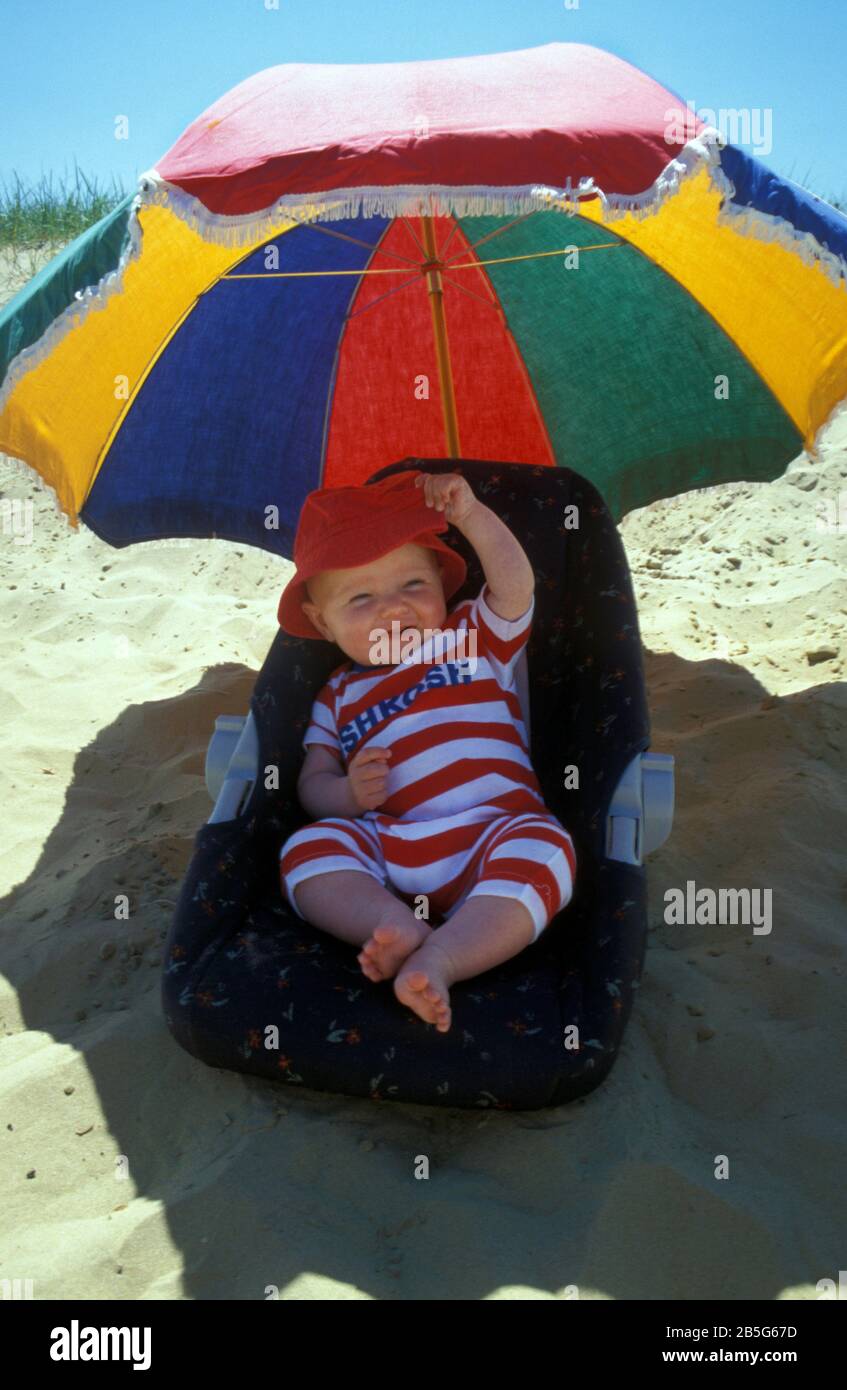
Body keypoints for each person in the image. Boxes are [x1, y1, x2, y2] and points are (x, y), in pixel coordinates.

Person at [276, 468, 576, 1033]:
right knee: (308, 847)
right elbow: (312, 784)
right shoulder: (337, 695)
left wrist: (470, 515)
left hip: (495, 830)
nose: (393, 609)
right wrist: (343, 794)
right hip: (390, 847)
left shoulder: (470, 637)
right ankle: (393, 925)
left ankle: (443, 958)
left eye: (413, 585)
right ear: (322, 621)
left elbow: (516, 587)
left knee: (549, 849)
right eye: (361, 598)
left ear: (442, 583)